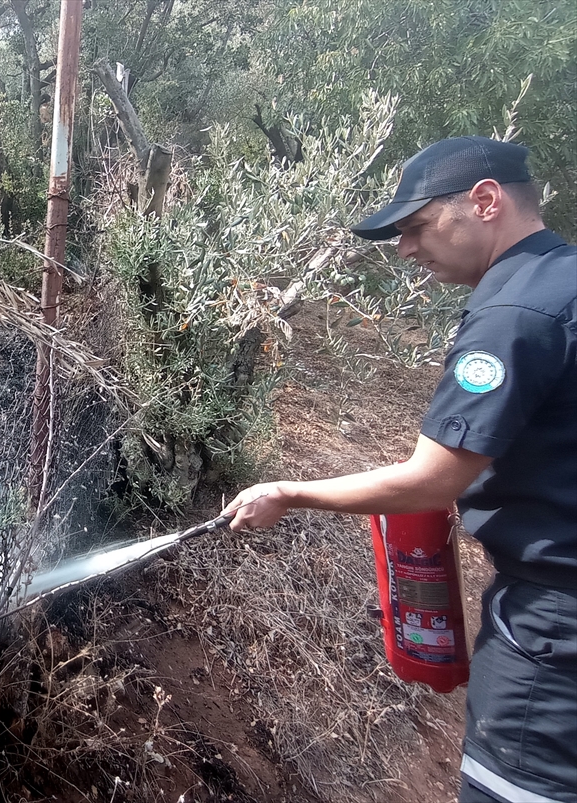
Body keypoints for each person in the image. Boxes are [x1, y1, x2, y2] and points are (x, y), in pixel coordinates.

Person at [223, 136, 576, 803]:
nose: (408, 250)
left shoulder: (511, 317)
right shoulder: (564, 281)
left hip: (555, 645)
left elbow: (431, 478)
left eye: (415, 227)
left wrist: (287, 490)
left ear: (486, 200)